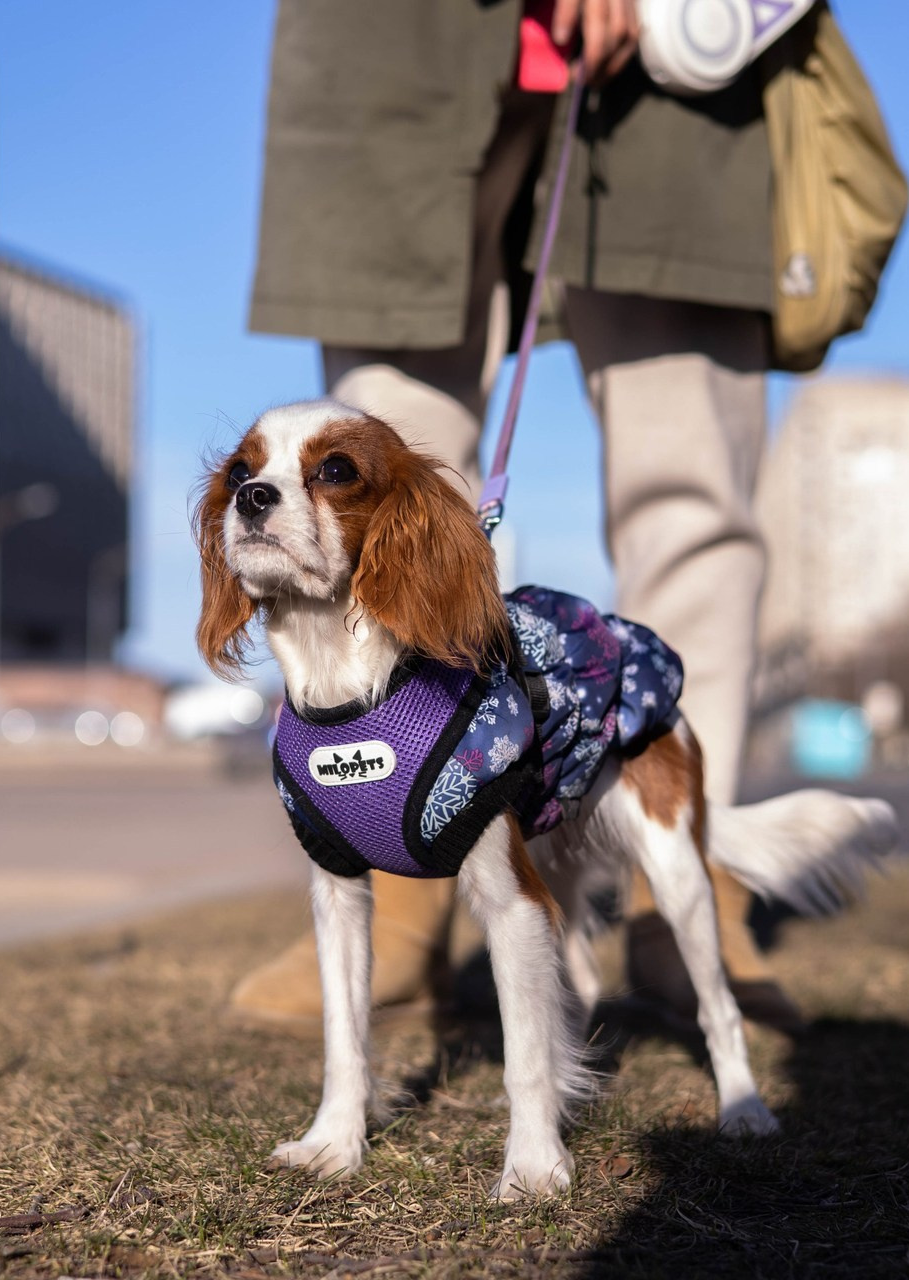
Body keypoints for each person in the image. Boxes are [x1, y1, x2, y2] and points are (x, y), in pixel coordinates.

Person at [232, 0, 802, 1033]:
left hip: (669, 61)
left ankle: (685, 896)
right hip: (396, 35)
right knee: (373, 425)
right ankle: (397, 851)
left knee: (687, 467)